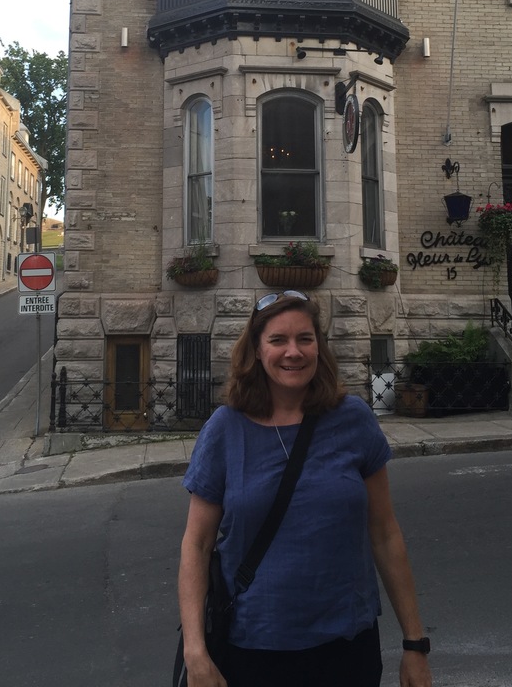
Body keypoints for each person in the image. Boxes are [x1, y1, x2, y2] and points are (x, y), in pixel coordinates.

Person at [178, 291, 432, 687]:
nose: (293, 352)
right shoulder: (226, 429)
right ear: (257, 351)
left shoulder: (353, 420)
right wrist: (195, 652)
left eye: (305, 339)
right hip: (254, 651)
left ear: (319, 347)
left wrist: (415, 644)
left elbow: (384, 533)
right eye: (278, 340)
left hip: (347, 648)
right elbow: (197, 544)